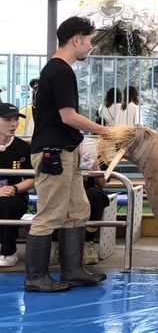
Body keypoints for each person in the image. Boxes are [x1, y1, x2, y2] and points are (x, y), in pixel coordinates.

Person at [25, 16, 108, 293]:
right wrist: (103, 130)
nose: (90, 46)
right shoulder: (59, 71)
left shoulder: (58, 70)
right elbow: (68, 116)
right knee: (50, 214)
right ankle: (36, 277)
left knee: (77, 210)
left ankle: (72, 270)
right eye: (90, 40)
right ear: (77, 39)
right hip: (53, 153)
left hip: (65, 151)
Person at [0, 103, 35, 267]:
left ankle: (8, 252)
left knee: (8, 204)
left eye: (15, 119)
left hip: (15, 196)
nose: (13, 124)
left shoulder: (22, 147)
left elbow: (32, 178)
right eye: (7, 119)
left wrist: (14, 188)